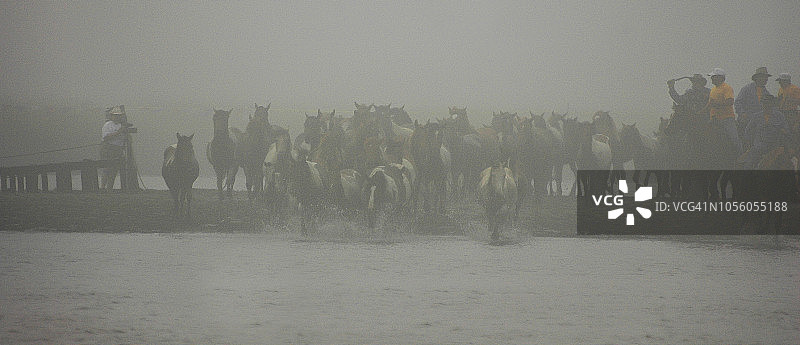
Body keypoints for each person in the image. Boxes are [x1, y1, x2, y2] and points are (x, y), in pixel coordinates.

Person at [741, 94, 789, 168]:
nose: (766, 105)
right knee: (748, 164)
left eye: (768, 103)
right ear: (762, 104)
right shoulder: (756, 116)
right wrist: (749, 144)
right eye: (765, 103)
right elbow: (747, 131)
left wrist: (778, 129)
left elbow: (786, 131)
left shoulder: (780, 116)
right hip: (758, 146)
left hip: (774, 146)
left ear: (772, 103)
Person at [703, 68, 742, 154]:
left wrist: (717, 104)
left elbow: (730, 101)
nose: (711, 79)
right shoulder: (713, 89)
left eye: (713, 77)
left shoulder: (727, 88)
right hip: (714, 119)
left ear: (720, 78)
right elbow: (710, 104)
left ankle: (740, 156)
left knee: (734, 138)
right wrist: (700, 112)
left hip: (726, 119)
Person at [735, 67, 772, 134]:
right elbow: (738, 102)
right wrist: (742, 113)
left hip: (759, 123)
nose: (766, 79)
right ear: (757, 78)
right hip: (746, 121)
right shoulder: (746, 89)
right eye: (764, 77)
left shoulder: (766, 93)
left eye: (766, 77)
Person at [100, 108, 128, 190]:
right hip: (108, 148)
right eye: (115, 116)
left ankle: (109, 188)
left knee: (114, 170)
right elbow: (106, 137)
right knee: (106, 168)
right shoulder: (108, 125)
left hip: (118, 149)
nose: (117, 117)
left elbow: (125, 139)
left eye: (118, 116)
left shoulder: (121, 126)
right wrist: (119, 132)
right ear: (111, 116)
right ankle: (102, 187)